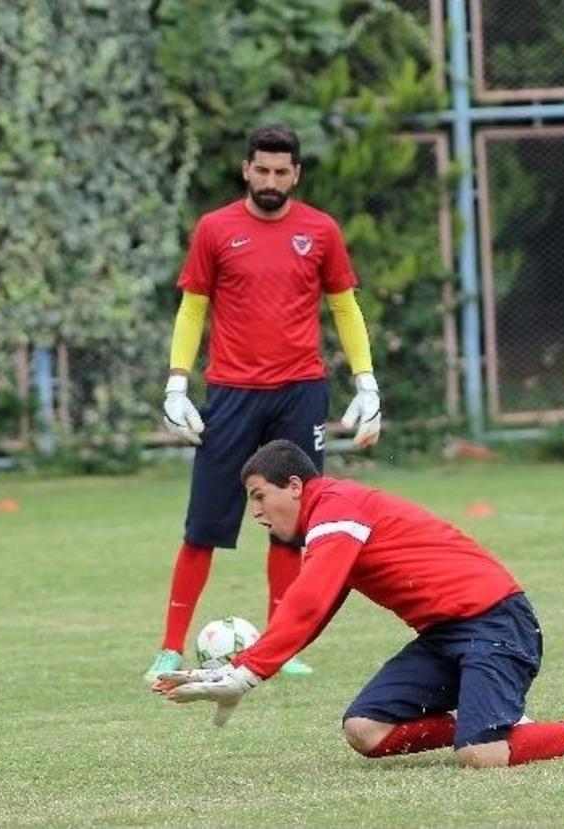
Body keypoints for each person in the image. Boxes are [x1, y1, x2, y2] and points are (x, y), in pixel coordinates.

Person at [154, 439, 564, 768]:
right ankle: (485, 717)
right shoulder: (329, 522)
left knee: (480, 756)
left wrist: (246, 674)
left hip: (497, 623)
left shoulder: (338, 510)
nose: (255, 511)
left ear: (295, 486)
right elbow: (316, 608)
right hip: (445, 637)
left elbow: (307, 600)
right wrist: (242, 668)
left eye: (260, 496)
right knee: (364, 731)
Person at [145, 123, 382, 682]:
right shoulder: (214, 229)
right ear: (246, 169)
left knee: (291, 524)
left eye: (282, 172)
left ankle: (283, 647)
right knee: (202, 526)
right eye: (262, 170)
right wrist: (176, 383)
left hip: (301, 392)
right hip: (230, 394)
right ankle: (170, 648)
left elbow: (345, 309)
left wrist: (366, 382)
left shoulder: (320, 231)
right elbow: (192, 309)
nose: (271, 180)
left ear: (295, 174)